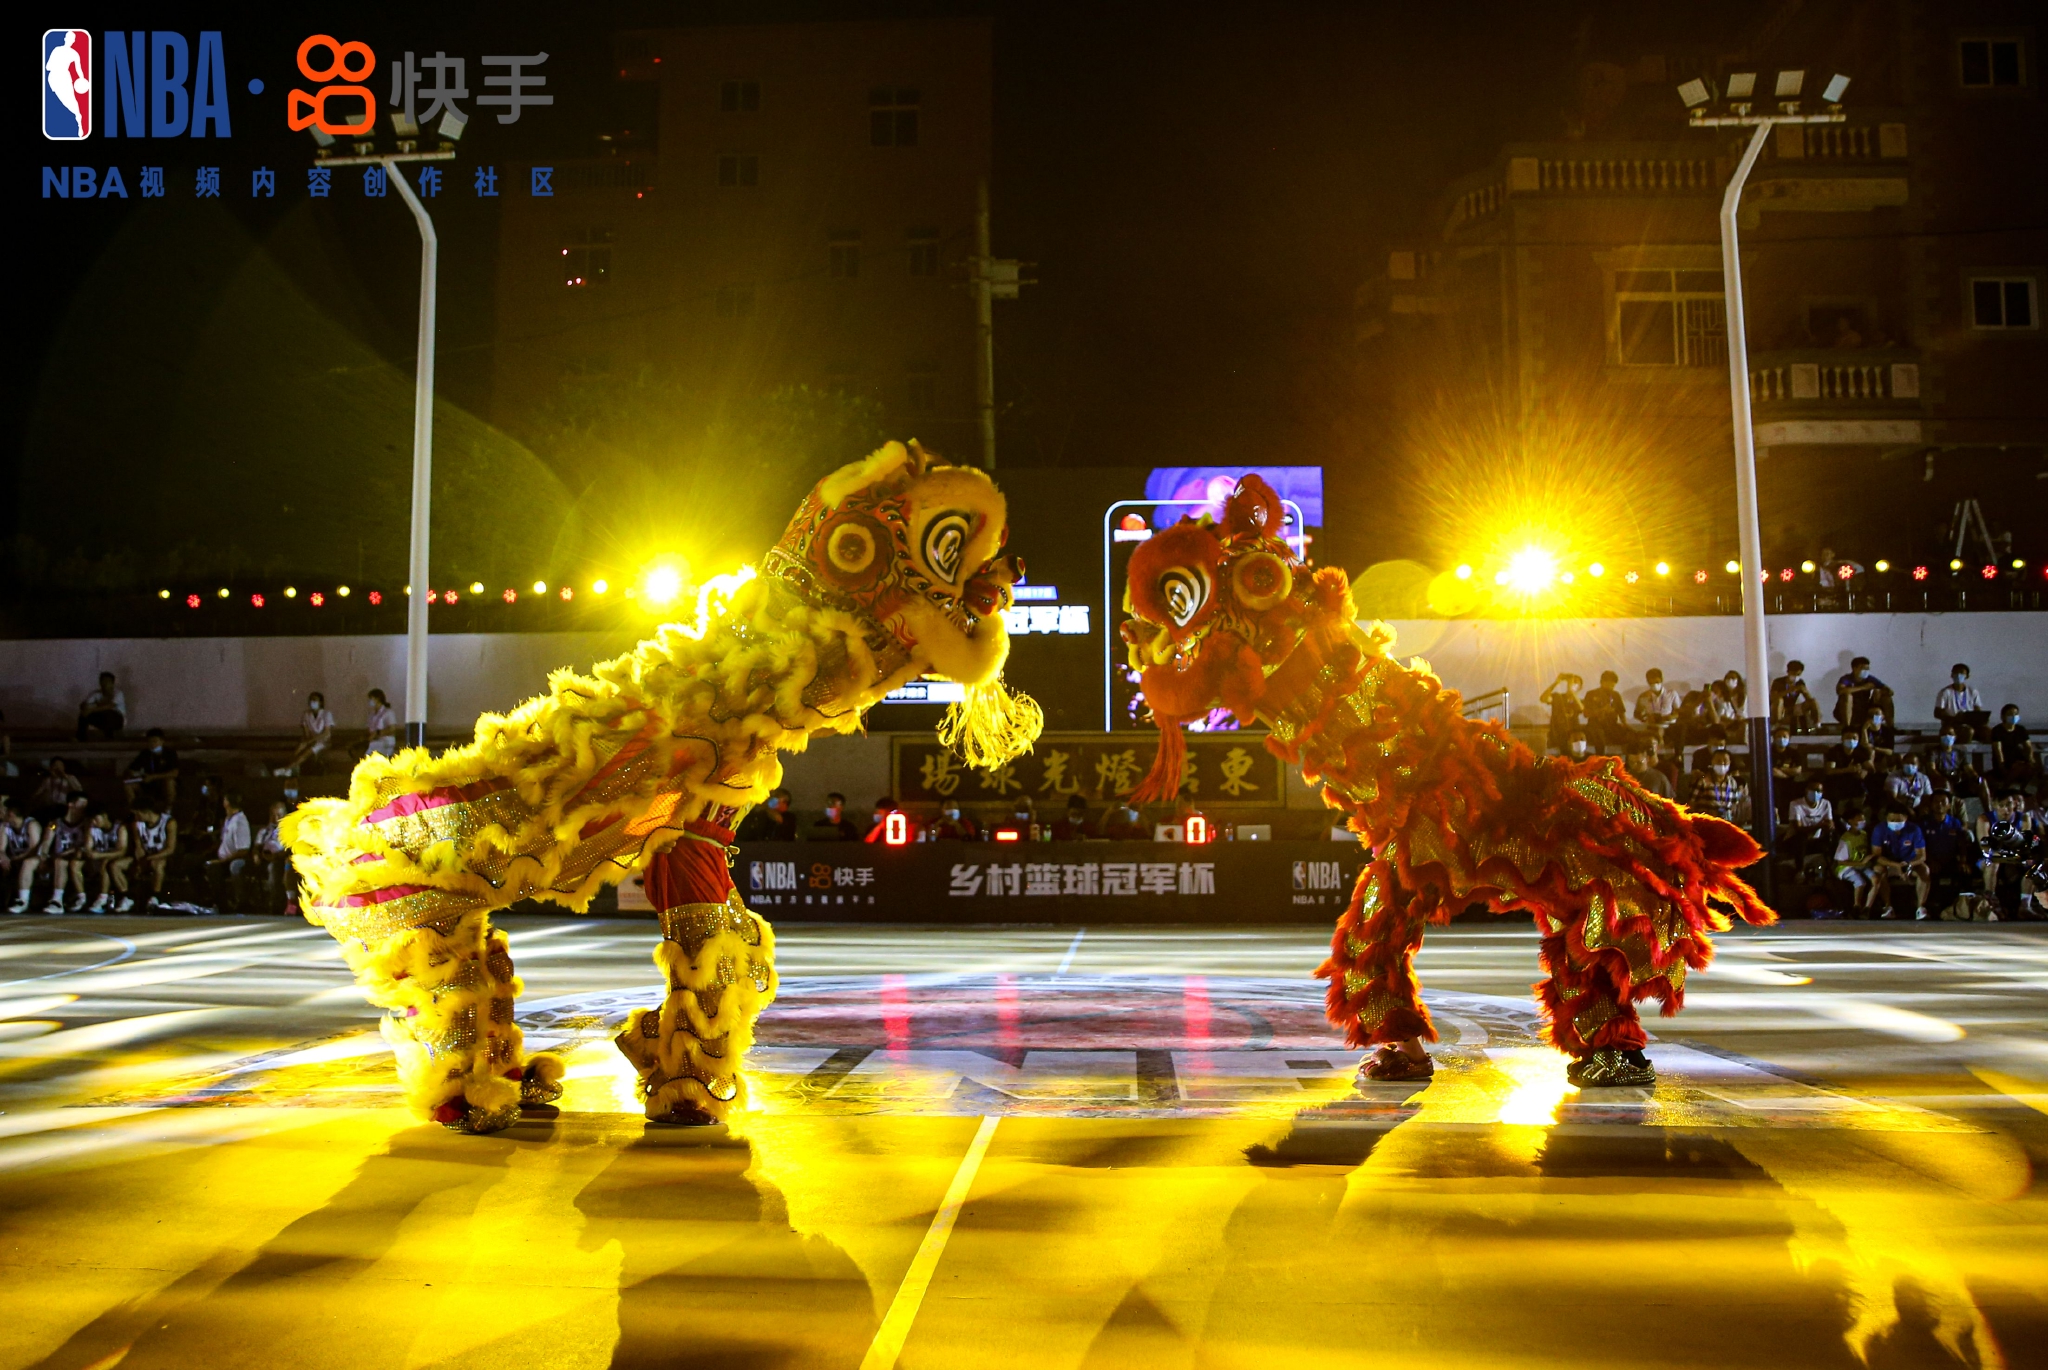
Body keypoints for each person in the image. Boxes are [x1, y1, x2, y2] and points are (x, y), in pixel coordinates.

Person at [1918, 793, 1978, 915]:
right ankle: (1930, 907)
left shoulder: (1955, 823)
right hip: (1931, 860)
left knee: (1965, 873)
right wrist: (1930, 861)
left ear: (1949, 806)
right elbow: (1921, 846)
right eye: (1936, 801)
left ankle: (1963, 907)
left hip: (1950, 860)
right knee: (1930, 874)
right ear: (1931, 804)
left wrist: (1963, 861)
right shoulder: (1924, 823)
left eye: (1943, 802)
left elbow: (1961, 844)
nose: (1939, 804)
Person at [1870, 802, 1930, 918]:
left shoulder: (1914, 829)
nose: (1894, 823)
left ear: (1905, 818)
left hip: (1909, 863)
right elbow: (1877, 855)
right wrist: (1896, 866)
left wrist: (1908, 865)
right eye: (1891, 820)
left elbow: (1922, 855)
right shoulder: (1879, 829)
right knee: (1878, 869)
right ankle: (1888, 907)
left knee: (1925, 871)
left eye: (1898, 820)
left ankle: (1921, 907)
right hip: (1890, 864)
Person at [39, 795, 91, 914]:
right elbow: (46, 842)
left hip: (79, 858)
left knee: (64, 861)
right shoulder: (55, 823)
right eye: (81, 804)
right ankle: (57, 901)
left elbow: (85, 845)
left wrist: (66, 853)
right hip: (59, 858)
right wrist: (43, 856)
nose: (84, 808)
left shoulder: (86, 823)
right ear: (70, 805)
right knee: (59, 862)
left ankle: (72, 898)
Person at [206, 792, 253, 912]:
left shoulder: (240, 821)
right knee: (194, 861)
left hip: (232, 859)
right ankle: (207, 898)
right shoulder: (228, 819)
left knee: (216, 868)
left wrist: (223, 860)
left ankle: (227, 904)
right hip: (223, 857)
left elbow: (243, 850)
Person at [129, 800, 177, 911]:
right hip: (146, 856)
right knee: (117, 865)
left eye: (137, 813)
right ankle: (128, 897)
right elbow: (138, 846)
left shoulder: (169, 822)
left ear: (146, 812)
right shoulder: (136, 824)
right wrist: (140, 858)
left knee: (157, 865)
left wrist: (149, 858)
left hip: (163, 857)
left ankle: (156, 897)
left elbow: (170, 849)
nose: (135, 816)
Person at [82, 806, 131, 914]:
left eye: (96, 819)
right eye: (91, 820)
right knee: (75, 864)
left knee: (107, 863)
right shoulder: (91, 828)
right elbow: (88, 848)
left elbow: (122, 850)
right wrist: (90, 853)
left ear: (104, 816)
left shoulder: (120, 827)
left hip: (115, 859)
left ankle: (103, 898)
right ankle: (79, 898)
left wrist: (99, 855)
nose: (94, 822)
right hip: (96, 860)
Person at [1783, 779, 1836, 874]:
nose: (1815, 793)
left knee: (1834, 836)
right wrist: (1819, 825)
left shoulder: (1825, 804)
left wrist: (1830, 826)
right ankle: (1799, 871)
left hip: (1815, 840)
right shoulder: (1796, 804)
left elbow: (1830, 822)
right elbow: (1798, 828)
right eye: (1813, 790)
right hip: (1795, 841)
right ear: (1806, 790)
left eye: (1818, 791)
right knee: (1801, 838)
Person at [1832, 807, 1877, 915]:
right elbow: (1840, 862)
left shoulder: (1864, 835)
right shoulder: (1846, 839)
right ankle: (1856, 906)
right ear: (1851, 821)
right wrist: (1860, 863)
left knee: (1876, 879)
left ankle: (1867, 908)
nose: (1863, 821)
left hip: (1862, 865)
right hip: (1846, 867)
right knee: (1860, 882)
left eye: (1863, 819)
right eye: (1859, 819)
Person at [122, 727, 181, 808]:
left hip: (163, 783)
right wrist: (135, 773)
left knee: (169, 782)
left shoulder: (170, 753)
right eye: (150, 741)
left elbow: (174, 773)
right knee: (128, 785)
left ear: (162, 741)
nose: (152, 744)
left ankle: (169, 809)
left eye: (155, 741)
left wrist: (154, 777)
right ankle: (134, 810)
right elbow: (131, 769)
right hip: (147, 784)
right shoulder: (145, 753)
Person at [3, 799, 44, 914]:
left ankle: (22, 901)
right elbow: (1, 849)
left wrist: (15, 859)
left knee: (28, 862)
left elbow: (34, 849)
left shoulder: (31, 824)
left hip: (37, 859)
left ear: (10, 813)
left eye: (3, 810)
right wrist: (3, 858)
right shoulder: (5, 826)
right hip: (16, 859)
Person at [1687, 748, 1747, 823]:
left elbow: (1734, 805)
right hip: (1706, 824)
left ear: (1730, 763)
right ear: (1712, 762)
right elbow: (1691, 804)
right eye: (1718, 761)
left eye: (1725, 760)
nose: (1722, 763)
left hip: (1726, 824)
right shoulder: (1702, 780)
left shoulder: (1733, 782)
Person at [1933, 665, 1989, 742]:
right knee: (1968, 731)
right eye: (1956, 672)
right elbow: (1937, 713)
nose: (1958, 675)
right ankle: (1964, 752)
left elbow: (1977, 711)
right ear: (1952, 675)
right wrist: (1955, 718)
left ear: (1967, 676)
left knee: (1988, 731)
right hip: (1952, 724)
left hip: (1970, 723)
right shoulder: (1945, 692)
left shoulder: (1973, 692)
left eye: (1961, 673)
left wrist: (1982, 719)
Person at [284, 693, 337, 775]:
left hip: (323, 742)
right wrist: (304, 743)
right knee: (298, 749)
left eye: (315, 700)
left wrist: (310, 742)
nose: (312, 702)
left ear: (321, 702)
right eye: (311, 700)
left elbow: (326, 733)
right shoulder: (306, 715)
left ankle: (287, 769)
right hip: (311, 740)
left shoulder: (326, 714)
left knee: (308, 752)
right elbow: (306, 733)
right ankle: (292, 769)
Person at [254, 801, 293, 913]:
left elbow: (289, 850)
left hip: (279, 860)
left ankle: (275, 904)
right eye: (273, 815)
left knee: (273, 868)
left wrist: (275, 856)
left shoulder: (288, 832)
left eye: (279, 815)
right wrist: (256, 855)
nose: (276, 818)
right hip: (263, 858)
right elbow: (257, 846)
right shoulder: (265, 831)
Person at [1833, 657, 1889, 731]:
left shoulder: (1870, 679)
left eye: (1867, 669)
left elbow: (1889, 691)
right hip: (1848, 711)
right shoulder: (1846, 679)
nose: (1866, 671)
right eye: (1863, 668)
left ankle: (1883, 728)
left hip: (1864, 711)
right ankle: (1848, 728)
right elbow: (1840, 691)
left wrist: (1878, 692)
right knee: (1847, 696)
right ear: (1854, 668)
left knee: (1883, 701)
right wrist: (1863, 687)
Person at [1820, 729, 1872, 807]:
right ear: (1842, 739)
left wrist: (1863, 771)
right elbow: (1829, 771)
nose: (1851, 740)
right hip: (1838, 780)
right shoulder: (1834, 751)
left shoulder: (1861, 751)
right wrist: (1847, 770)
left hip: (1856, 780)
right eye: (1848, 737)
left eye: (1854, 738)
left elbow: (1870, 768)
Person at [1988, 705, 2035, 790]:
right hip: (2004, 761)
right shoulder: (1997, 730)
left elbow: (2028, 746)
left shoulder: (2021, 729)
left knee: (2030, 767)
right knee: (2018, 767)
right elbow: (1998, 750)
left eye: (2015, 714)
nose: (2013, 716)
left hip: (2018, 759)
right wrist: (2001, 765)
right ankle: (2004, 788)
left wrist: (2030, 758)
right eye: (2010, 714)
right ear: (2003, 716)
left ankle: (2022, 789)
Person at [1582, 672, 1628, 751]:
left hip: (1612, 724)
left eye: (1613, 686)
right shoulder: (1591, 694)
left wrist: (1625, 724)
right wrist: (1602, 710)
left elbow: (1621, 712)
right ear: (1602, 682)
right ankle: (1600, 760)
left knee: (1630, 736)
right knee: (1599, 736)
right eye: (1609, 684)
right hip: (1595, 725)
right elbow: (1586, 714)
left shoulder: (1615, 695)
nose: (1611, 688)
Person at [1539, 673, 1584, 754]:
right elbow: (1543, 698)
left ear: (1580, 687)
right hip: (1558, 733)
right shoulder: (1558, 697)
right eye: (1571, 682)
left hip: (1574, 736)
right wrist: (1556, 682)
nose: (1572, 684)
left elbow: (1581, 708)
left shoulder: (1579, 701)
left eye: (1575, 683)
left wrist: (1572, 692)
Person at [1633, 668, 1680, 745]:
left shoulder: (1671, 694)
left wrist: (1668, 717)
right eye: (1651, 683)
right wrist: (1644, 718)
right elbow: (1636, 714)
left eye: (1657, 682)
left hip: (1669, 727)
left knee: (1660, 733)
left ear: (1661, 679)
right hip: (1652, 727)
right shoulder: (1643, 696)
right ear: (1647, 682)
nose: (1654, 685)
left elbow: (1679, 713)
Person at [1771, 660, 1821, 733]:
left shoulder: (1800, 682)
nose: (1796, 677)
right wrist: (1789, 690)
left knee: (1813, 701)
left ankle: (1817, 724)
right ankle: (1778, 724)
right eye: (1794, 674)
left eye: (1798, 675)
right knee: (1779, 700)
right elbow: (1773, 697)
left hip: (1793, 707)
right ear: (1788, 672)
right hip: (1780, 708)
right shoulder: (1778, 681)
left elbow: (1809, 699)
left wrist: (1805, 691)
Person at [77, 671, 127, 741]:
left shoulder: (118, 693)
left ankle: (110, 734)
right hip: (102, 719)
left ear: (112, 683)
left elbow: (110, 706)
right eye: (102, 681)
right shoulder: (96, 694)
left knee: (108, 713)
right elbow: (84, 705)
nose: (104, 683)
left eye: (107, 681)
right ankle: (81, 737)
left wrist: (93, 708)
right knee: (84, 714)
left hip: (117, 720)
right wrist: (87, 708)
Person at [365, 688, 401, 758]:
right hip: (374, 742)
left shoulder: (388, 713)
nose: (369, 701)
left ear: (377, 699)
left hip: (385, 742)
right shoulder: (372, 715)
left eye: (371, 699)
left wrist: (378, 733)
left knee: (370, 755)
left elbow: (392, 729)